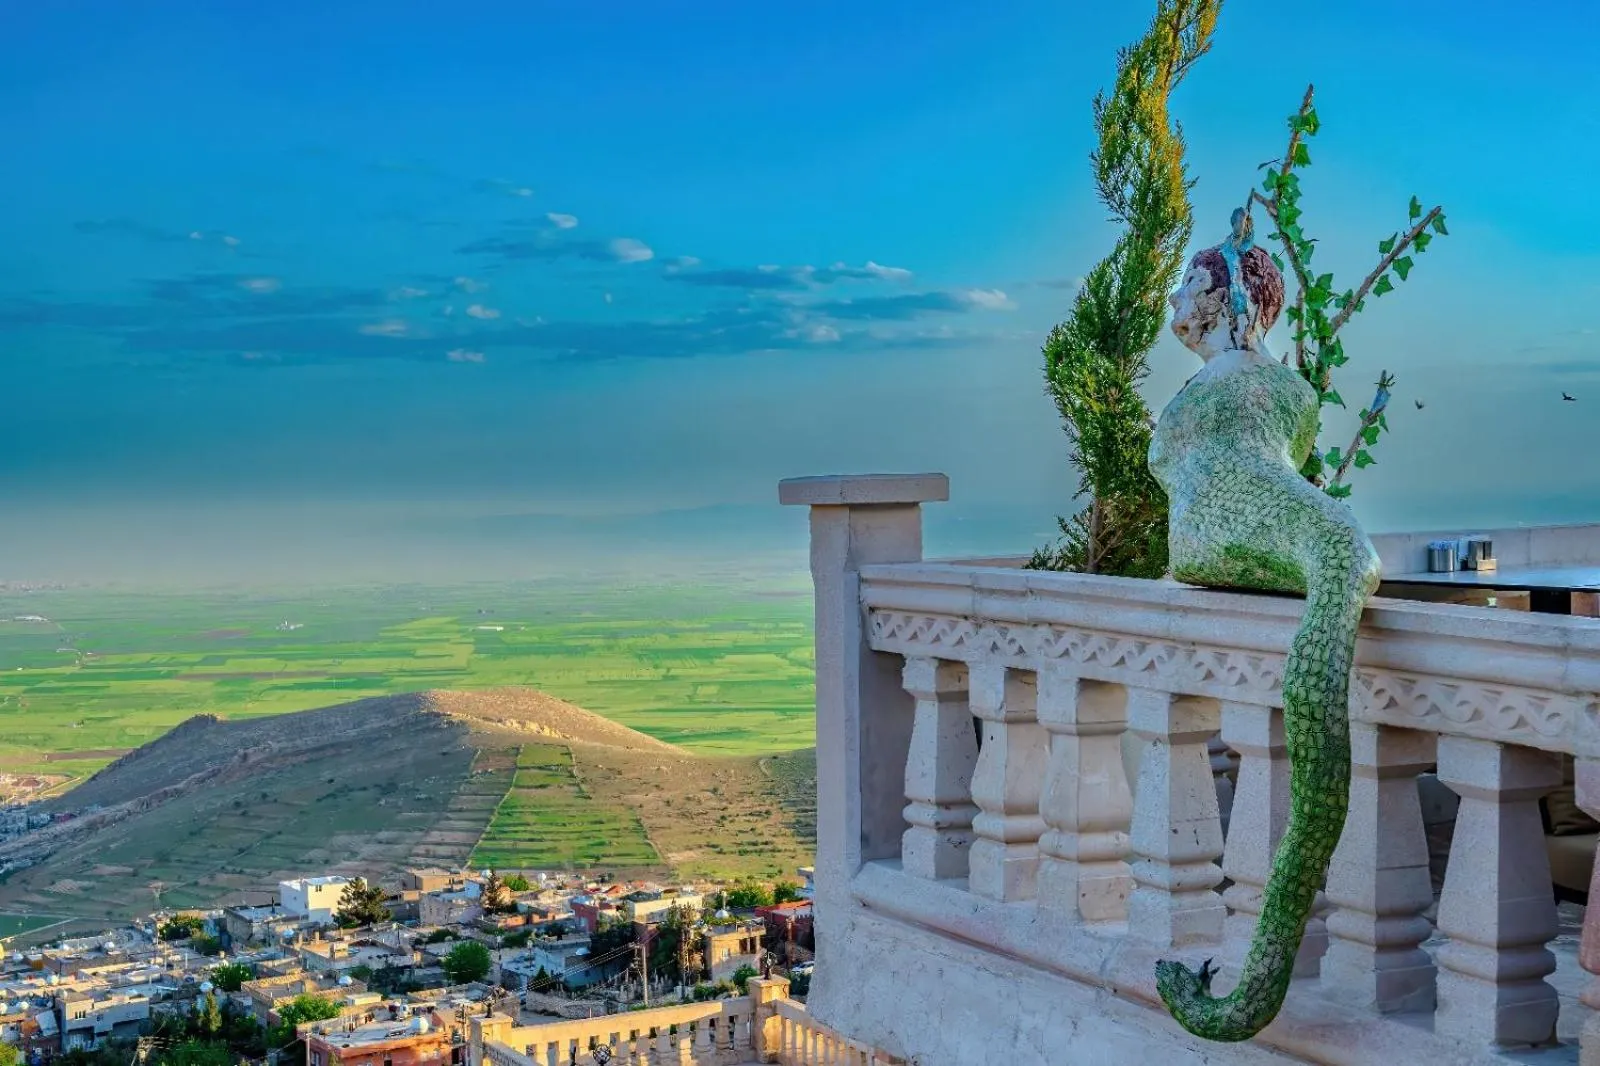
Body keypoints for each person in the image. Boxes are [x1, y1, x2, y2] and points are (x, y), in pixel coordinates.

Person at [1147, 208, 1381, 1043]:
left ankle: (1242, 1002)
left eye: (1190, 281)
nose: (1177, 296)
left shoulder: (1207, 394)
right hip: (1322, 540)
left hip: (1213, 538)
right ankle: (1245, 992)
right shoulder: (1294, 393)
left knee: (1318, 770)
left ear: (1220, 297)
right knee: (1316, 776)